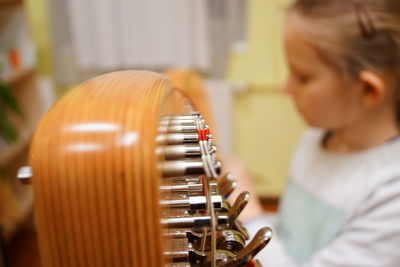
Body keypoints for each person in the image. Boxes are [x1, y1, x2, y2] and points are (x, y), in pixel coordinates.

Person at [232, 0, 400, 266]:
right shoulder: (315, 139)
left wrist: (251, 216)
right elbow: (296, 236)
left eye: (303, 77)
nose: (286, 88)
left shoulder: (392, 194)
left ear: (367, 90)